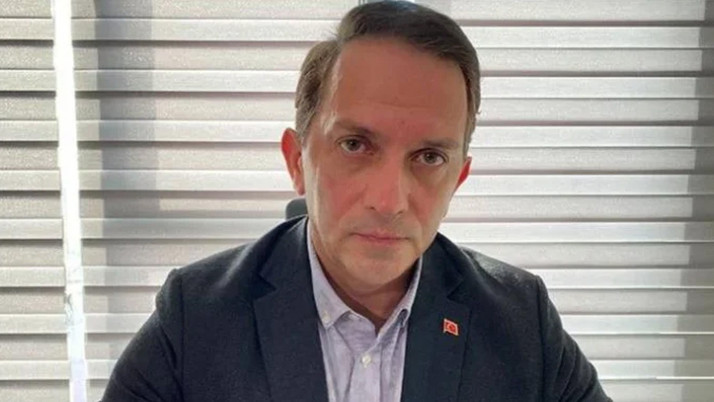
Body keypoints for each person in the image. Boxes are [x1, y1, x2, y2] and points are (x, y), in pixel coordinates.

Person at [102, 2, 612, 401]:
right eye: (355, 145)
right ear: (297, 160)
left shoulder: (521, 323)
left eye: (429, 157)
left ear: (458, 179)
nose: (389, 200)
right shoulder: (197, 318)